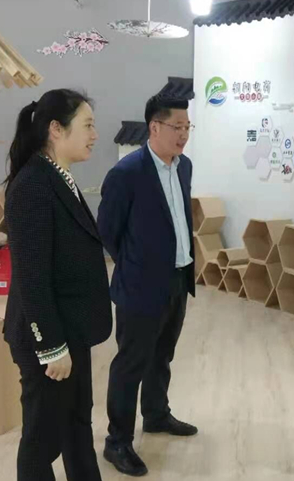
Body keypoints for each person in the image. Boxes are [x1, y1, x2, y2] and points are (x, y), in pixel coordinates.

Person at [3, 89, 112, 481]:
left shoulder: (58, 178)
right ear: (55, 129)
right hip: (49, 342)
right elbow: (32, 278)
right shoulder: (33, 185)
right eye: (87, 125)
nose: (95, 135)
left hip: (71, 331)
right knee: (41, 443)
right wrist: (52, 348)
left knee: (76, 428)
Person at [98, 94, 197, 477]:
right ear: (154, 127)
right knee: (130, 364)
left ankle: (156, 415)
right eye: (177, 127)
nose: (184, 134)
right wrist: (137, 264)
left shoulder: (184, 167)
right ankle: (117, 442)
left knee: (162, 356)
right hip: (140, 286)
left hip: (177, 279)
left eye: (188, 127)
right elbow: (108, 231)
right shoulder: (127, 173)